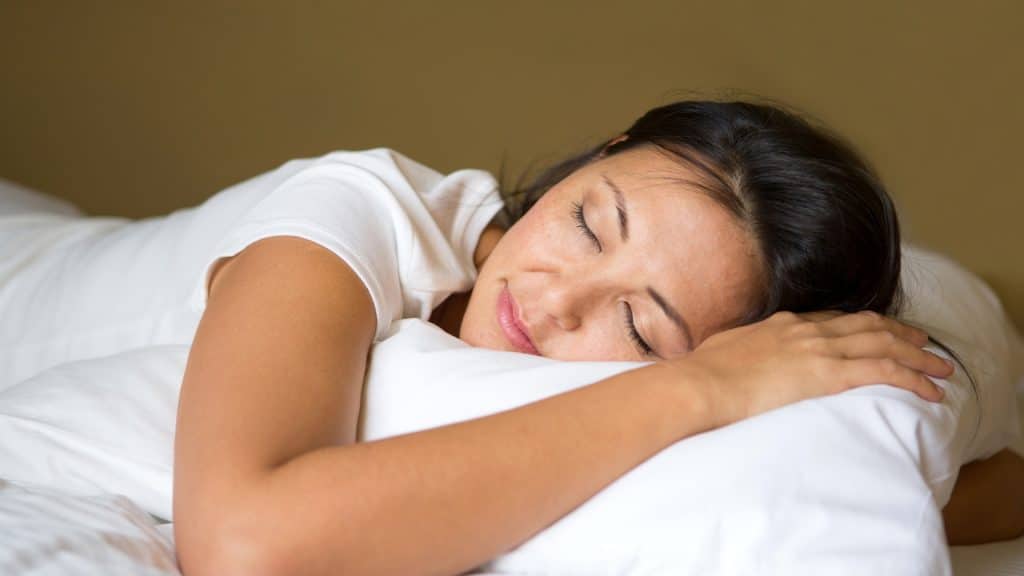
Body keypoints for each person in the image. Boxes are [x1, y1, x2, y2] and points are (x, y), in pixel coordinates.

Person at [0, 99, 1018, 575]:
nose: (557, 296)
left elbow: (979, 486)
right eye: (587, 221)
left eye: (636, 321)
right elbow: (246, 543)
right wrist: (692, 391)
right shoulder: (360, 213)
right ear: (598, 154)